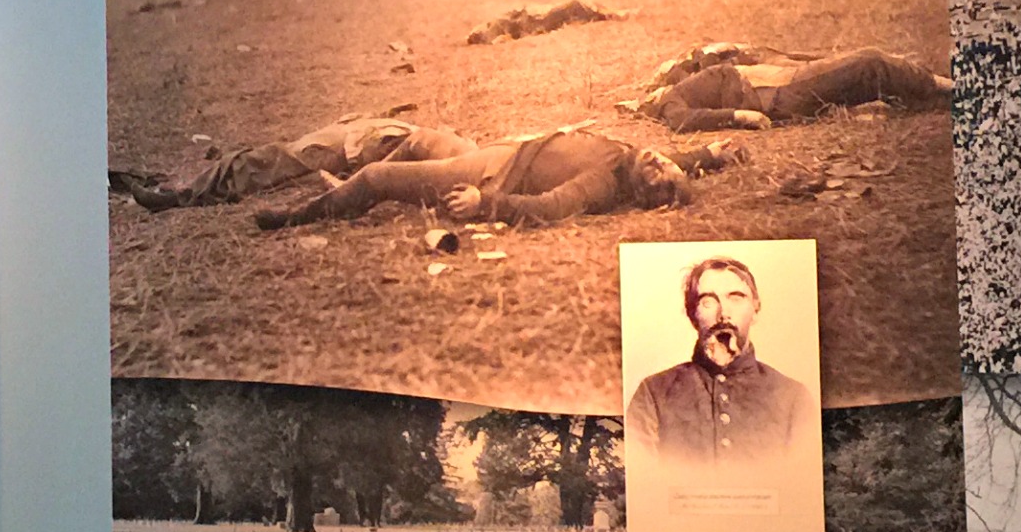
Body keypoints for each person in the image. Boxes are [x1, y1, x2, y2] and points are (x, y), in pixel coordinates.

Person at [255, 128, 686, 230]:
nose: (657, 157)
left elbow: (550, 207)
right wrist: (710, 154)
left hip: (490, 175)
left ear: (648, 193)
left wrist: (485, 204)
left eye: (659, 169)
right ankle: (348, 193)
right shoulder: (630, 158)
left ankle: (296, 217)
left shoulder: (606, 182)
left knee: (375, 176)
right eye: (665, 160)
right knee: (424, 138)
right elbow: (676, 160)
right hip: (501, 153)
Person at [622, 256, 810, 474]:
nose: (723, 314)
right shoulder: (653, 394)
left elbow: (801, 487)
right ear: (693, 315)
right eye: (708, 301)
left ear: (756, 309)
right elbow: (643, 485)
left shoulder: (793, 398)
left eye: (736, 298)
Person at [113, 116, 472, 210]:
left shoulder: (453, 160)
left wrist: (355, 180)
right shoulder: (463, 151)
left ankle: (177, 196)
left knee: (257, 163)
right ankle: (173, 187)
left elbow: (395, 164)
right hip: (359, 136)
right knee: (261, 158)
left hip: (351, 148)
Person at [645, 49, 952, 132]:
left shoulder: (688, 81)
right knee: (868, 61)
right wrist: (739, 115)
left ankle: (926, 94)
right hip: (773, 92)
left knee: (858, 73)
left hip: (777, 83)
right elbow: (681, 121)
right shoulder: (670, 101)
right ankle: (946, 87)